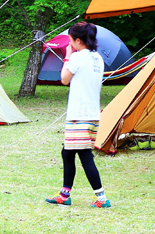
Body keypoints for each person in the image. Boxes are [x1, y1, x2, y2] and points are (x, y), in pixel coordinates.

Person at [46, 21, 111, 208]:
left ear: (78, 40)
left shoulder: (77, 57)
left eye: (71, 39)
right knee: (67, 152)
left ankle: (101, 198)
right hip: (91, 115)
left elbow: (64, 79)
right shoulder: (97, 58)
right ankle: (65, 194)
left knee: (84, 155)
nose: (69, 43)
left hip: (78, 115)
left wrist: (67, 57)